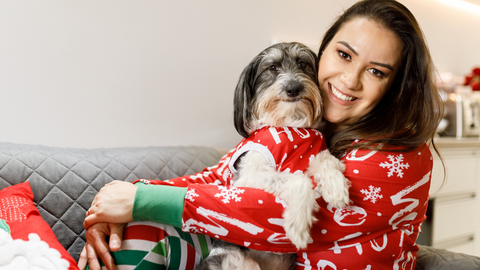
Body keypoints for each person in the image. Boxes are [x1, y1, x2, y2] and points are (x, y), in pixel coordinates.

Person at [78, 0, 443, 269]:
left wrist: (146, 200)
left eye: (377, 71)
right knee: (136, 234)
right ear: (325, 49)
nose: (350, 80)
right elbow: (222, 178)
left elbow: (277, 220)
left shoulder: (402, 155)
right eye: (344, 55)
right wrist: (124, 199)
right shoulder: (309, 127)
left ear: (398, 85)